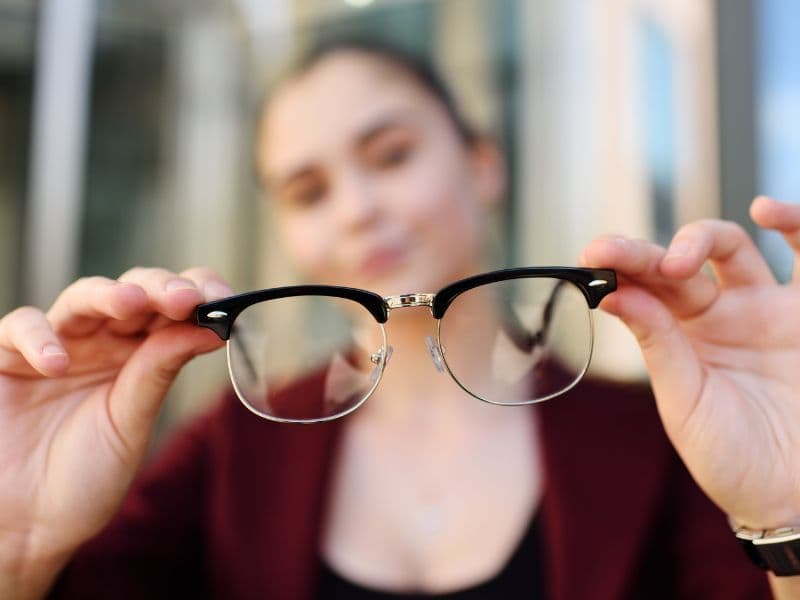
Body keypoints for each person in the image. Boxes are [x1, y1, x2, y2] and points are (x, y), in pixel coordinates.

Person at [0, 39, 799, 599]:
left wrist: (788, 514)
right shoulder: (232, 446)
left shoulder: (662, 435)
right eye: (309, 192)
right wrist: (18, 549)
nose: (357, 208)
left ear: (483, 165)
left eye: (390, 155)